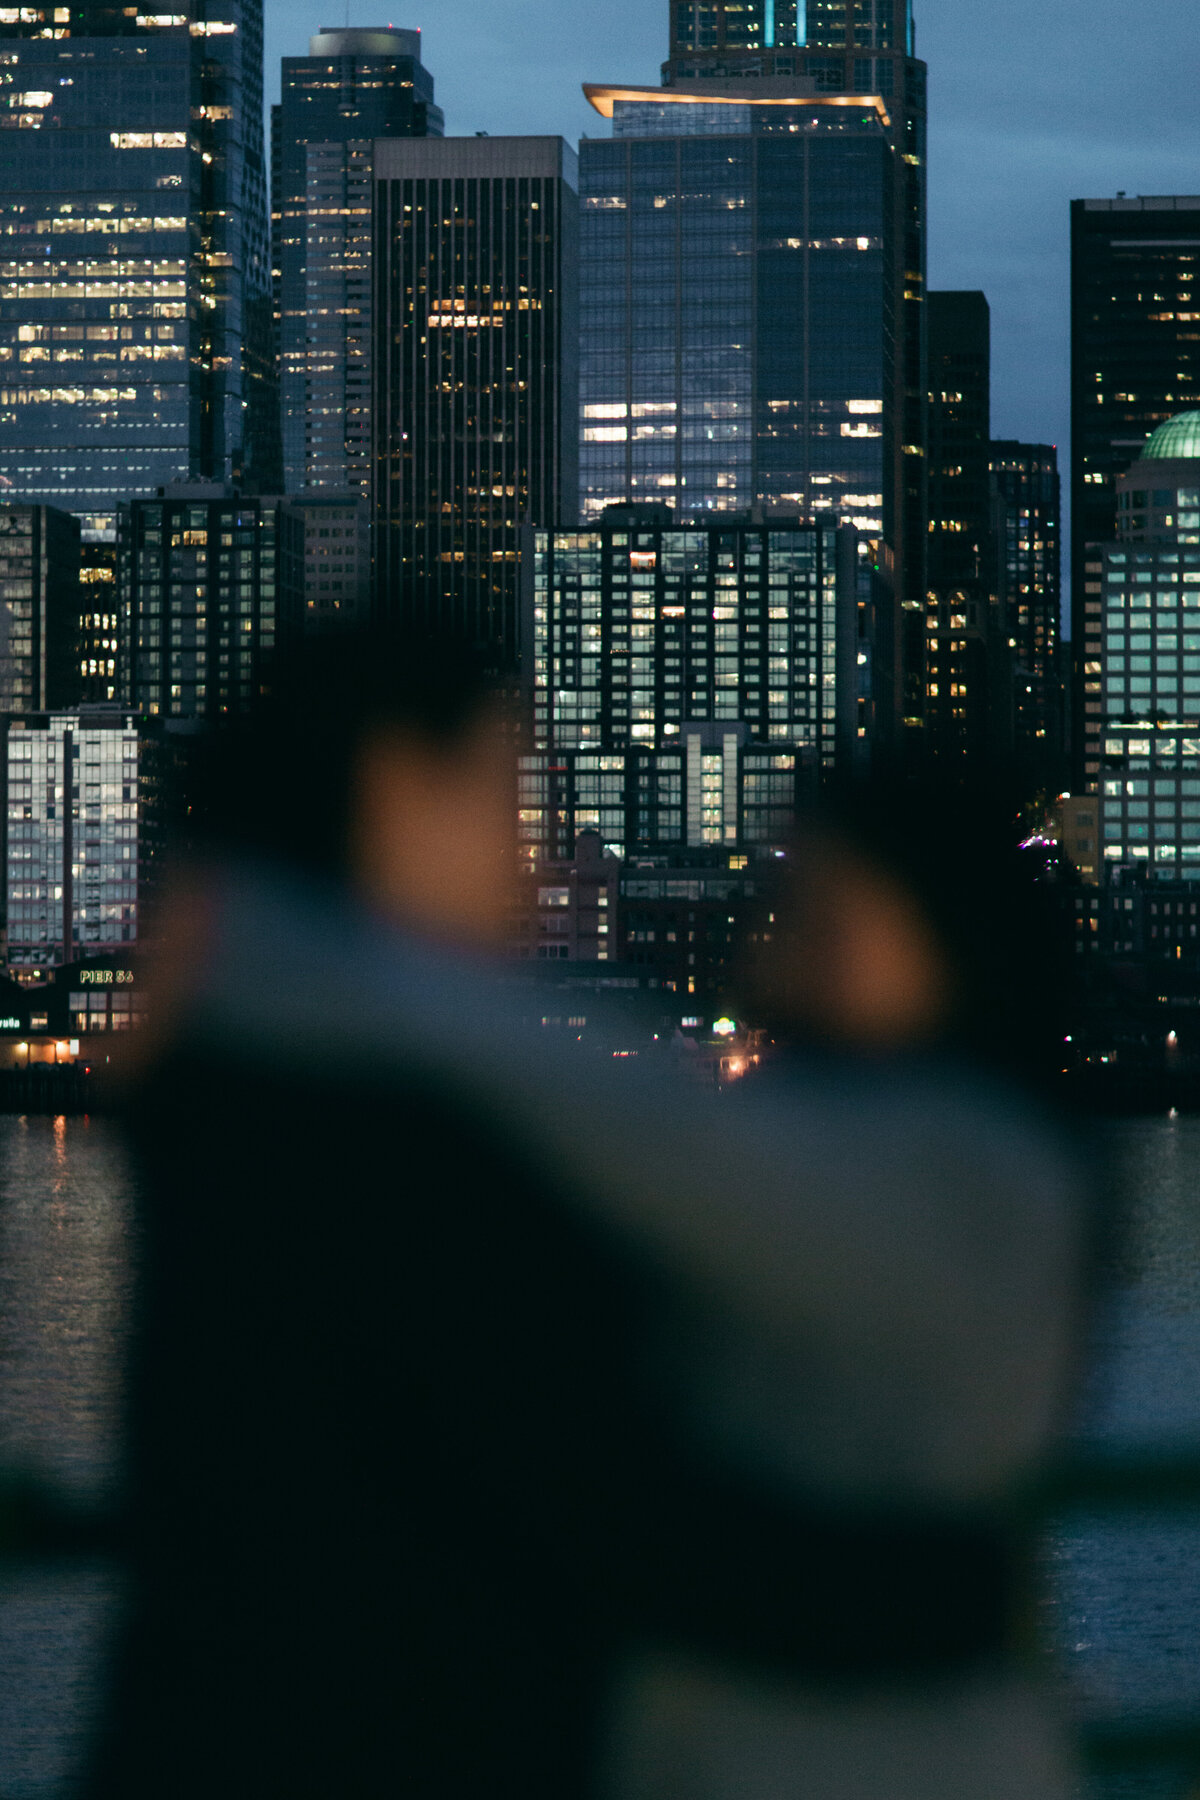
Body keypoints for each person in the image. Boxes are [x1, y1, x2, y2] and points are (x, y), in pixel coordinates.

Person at [86, 628, 1085, 1799]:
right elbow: (600, 1510)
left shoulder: (337, 1096)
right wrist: (952, 1598)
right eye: (512, 793)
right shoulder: (385, 1138)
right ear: (400, 785)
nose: (541, 847)